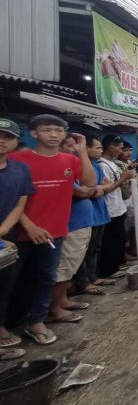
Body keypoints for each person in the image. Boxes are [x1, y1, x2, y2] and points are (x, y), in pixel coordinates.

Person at [9, 114, 96, 345]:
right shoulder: (18, 159)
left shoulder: (69, 160)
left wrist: (82, 153)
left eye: (59, 130)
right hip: (17, 233)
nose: (54, 135)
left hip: (56, 231)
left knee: (46, 278)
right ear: (34, 133)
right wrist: (29, 224)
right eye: (47, 130)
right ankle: (6, 326)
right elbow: (11, 198)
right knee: (10, 281)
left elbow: (89, 183)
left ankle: (37, 321)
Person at [47, 135, 94, 324]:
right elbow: (84, 191)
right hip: (70, 224)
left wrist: (91, 189)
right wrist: (90, 189)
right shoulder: (59, 170)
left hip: (81, 223)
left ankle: (63, 300)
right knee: (63, 268)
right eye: (69, 145)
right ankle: (54, 308)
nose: (74, 149)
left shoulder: (74, 167)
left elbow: (90, 187)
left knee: (71, 266)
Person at [0, 118, 33, 360]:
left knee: (5, 287)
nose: (2, 140)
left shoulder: (19, 169)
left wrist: (2, 233)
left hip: (8, 238)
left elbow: (20, 202)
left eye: (7, 136)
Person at [73, 135, 113, 296]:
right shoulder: (80, 165)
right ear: (86, 148)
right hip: (87, 216)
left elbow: (100, 188)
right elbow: (94, 191)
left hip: (100, 212)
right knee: (85, 250)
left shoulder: (96, 164)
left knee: (95, 248)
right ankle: (84, 282)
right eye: (97, 148)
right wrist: (100, 188)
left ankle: (93, 277)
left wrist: (101, 188)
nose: (100, 150)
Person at [97, 134, 134, 277]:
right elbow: (106, 188)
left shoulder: (112, 163)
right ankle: (109, 270)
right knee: (110, 242)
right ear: (110, 147)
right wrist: (123, 179)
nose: (121, 150)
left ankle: (117, 265)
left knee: (119, 239)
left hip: (119, 206)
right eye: (119, 147)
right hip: (110, 208)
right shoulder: (102, 165)